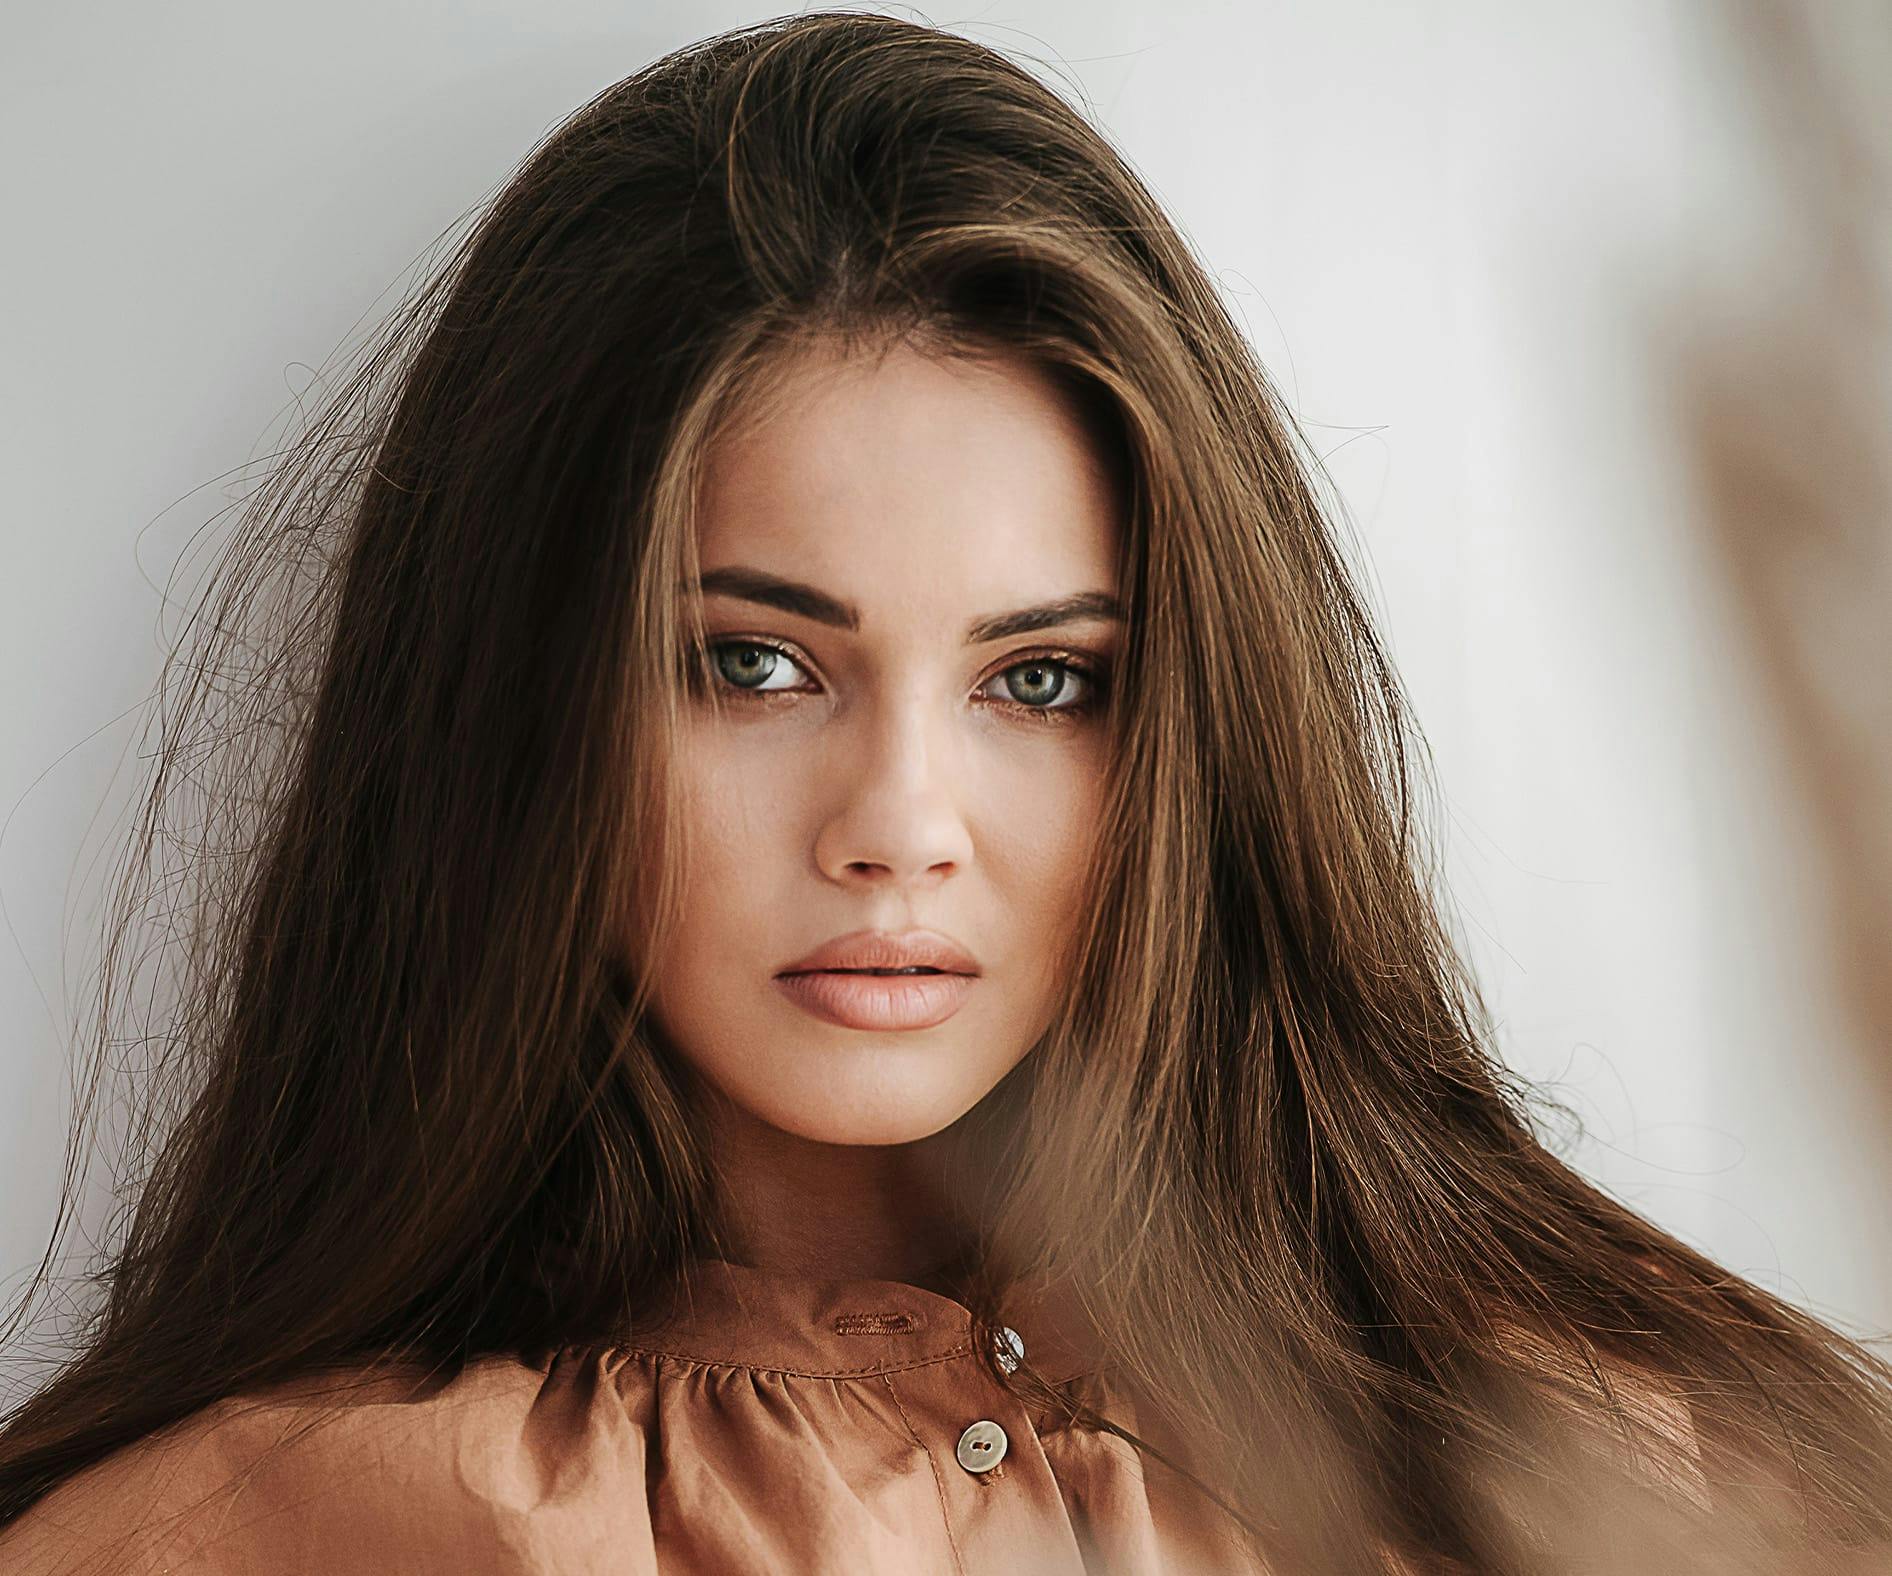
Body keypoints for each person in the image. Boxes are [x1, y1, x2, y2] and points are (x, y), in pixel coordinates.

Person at [2, 11, 1890, 1573]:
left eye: (1042, 680)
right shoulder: (261, 1536)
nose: (899, 823)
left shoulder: (1612, 1469)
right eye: (754, 663)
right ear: (528, 703)